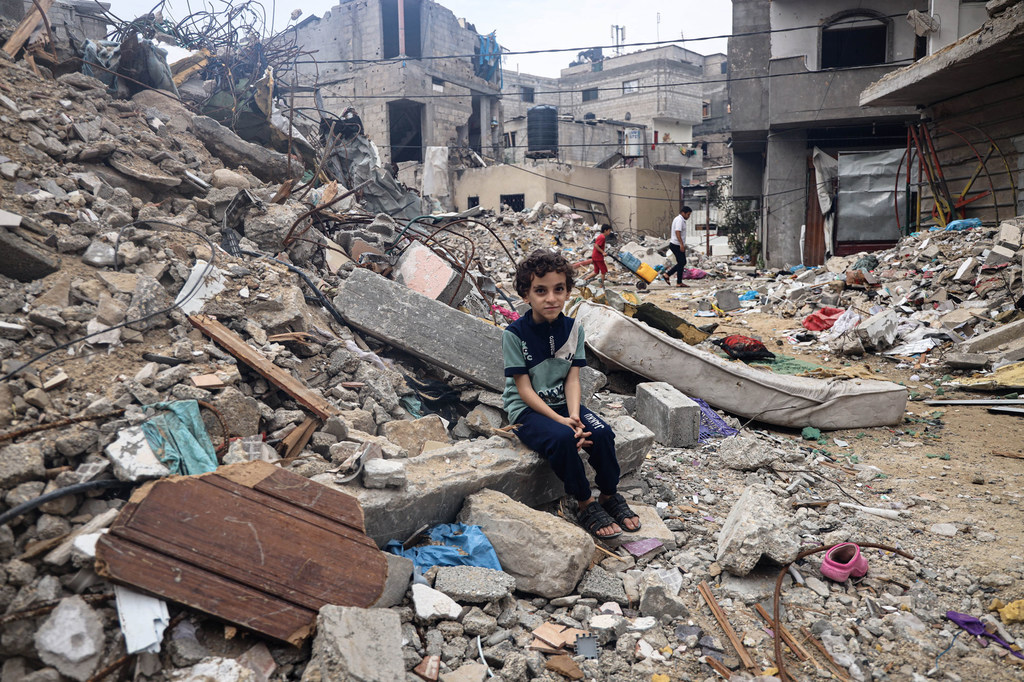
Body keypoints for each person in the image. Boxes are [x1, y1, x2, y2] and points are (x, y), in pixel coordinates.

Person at [502, 250, 641, 539]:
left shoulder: (573, 329)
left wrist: (575, 415)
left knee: (602, 433)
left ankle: (608, 495)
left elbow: (573, 378)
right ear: (525, 295)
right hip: (528, 411)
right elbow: (523, 389)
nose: (551, 298)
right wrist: (561, 421)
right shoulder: (514, 334)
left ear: (568, 292)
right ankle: (584, 501)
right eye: (540, 291)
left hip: (566, 405)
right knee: (564, 438)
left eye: (559, 289)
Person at [663, 206, 692, 287]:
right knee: (682, 262)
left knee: (681, 262)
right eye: (688, 215)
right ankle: (675, 280)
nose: (688, 217)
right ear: (683, 213)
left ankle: (670, 276)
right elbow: (677, 232)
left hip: (676, 244)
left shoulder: (679, 219)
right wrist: (681, 244)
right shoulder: (679, 220)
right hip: (676, 244)